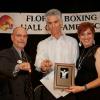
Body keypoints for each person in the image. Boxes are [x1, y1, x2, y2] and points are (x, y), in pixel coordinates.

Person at [34, 9, 79, 100]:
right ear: (47, 25)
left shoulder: (72, 42)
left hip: (68, 88)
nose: (53, 26)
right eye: (50, 23)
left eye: (56, 22)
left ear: (61, 23)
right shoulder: (42, 44)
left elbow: (75, 64)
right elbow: (38, 64)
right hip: (49, 89)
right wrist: (43, 66)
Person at [67, 22, 100, 100]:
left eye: (89, 33)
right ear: (79, 37)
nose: (86, 37)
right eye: (82, 34)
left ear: (93, 35)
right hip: (80, 95)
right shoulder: (82, 51)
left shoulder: (98, 50)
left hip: (93, 95)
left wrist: (82, 88)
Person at [0, 27, 33, 100]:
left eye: (24, 36)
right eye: (19, 35)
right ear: (12, 37)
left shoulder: (28, 57)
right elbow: (3, 66)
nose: (22, 39)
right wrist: (18, 66)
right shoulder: (4, 53)